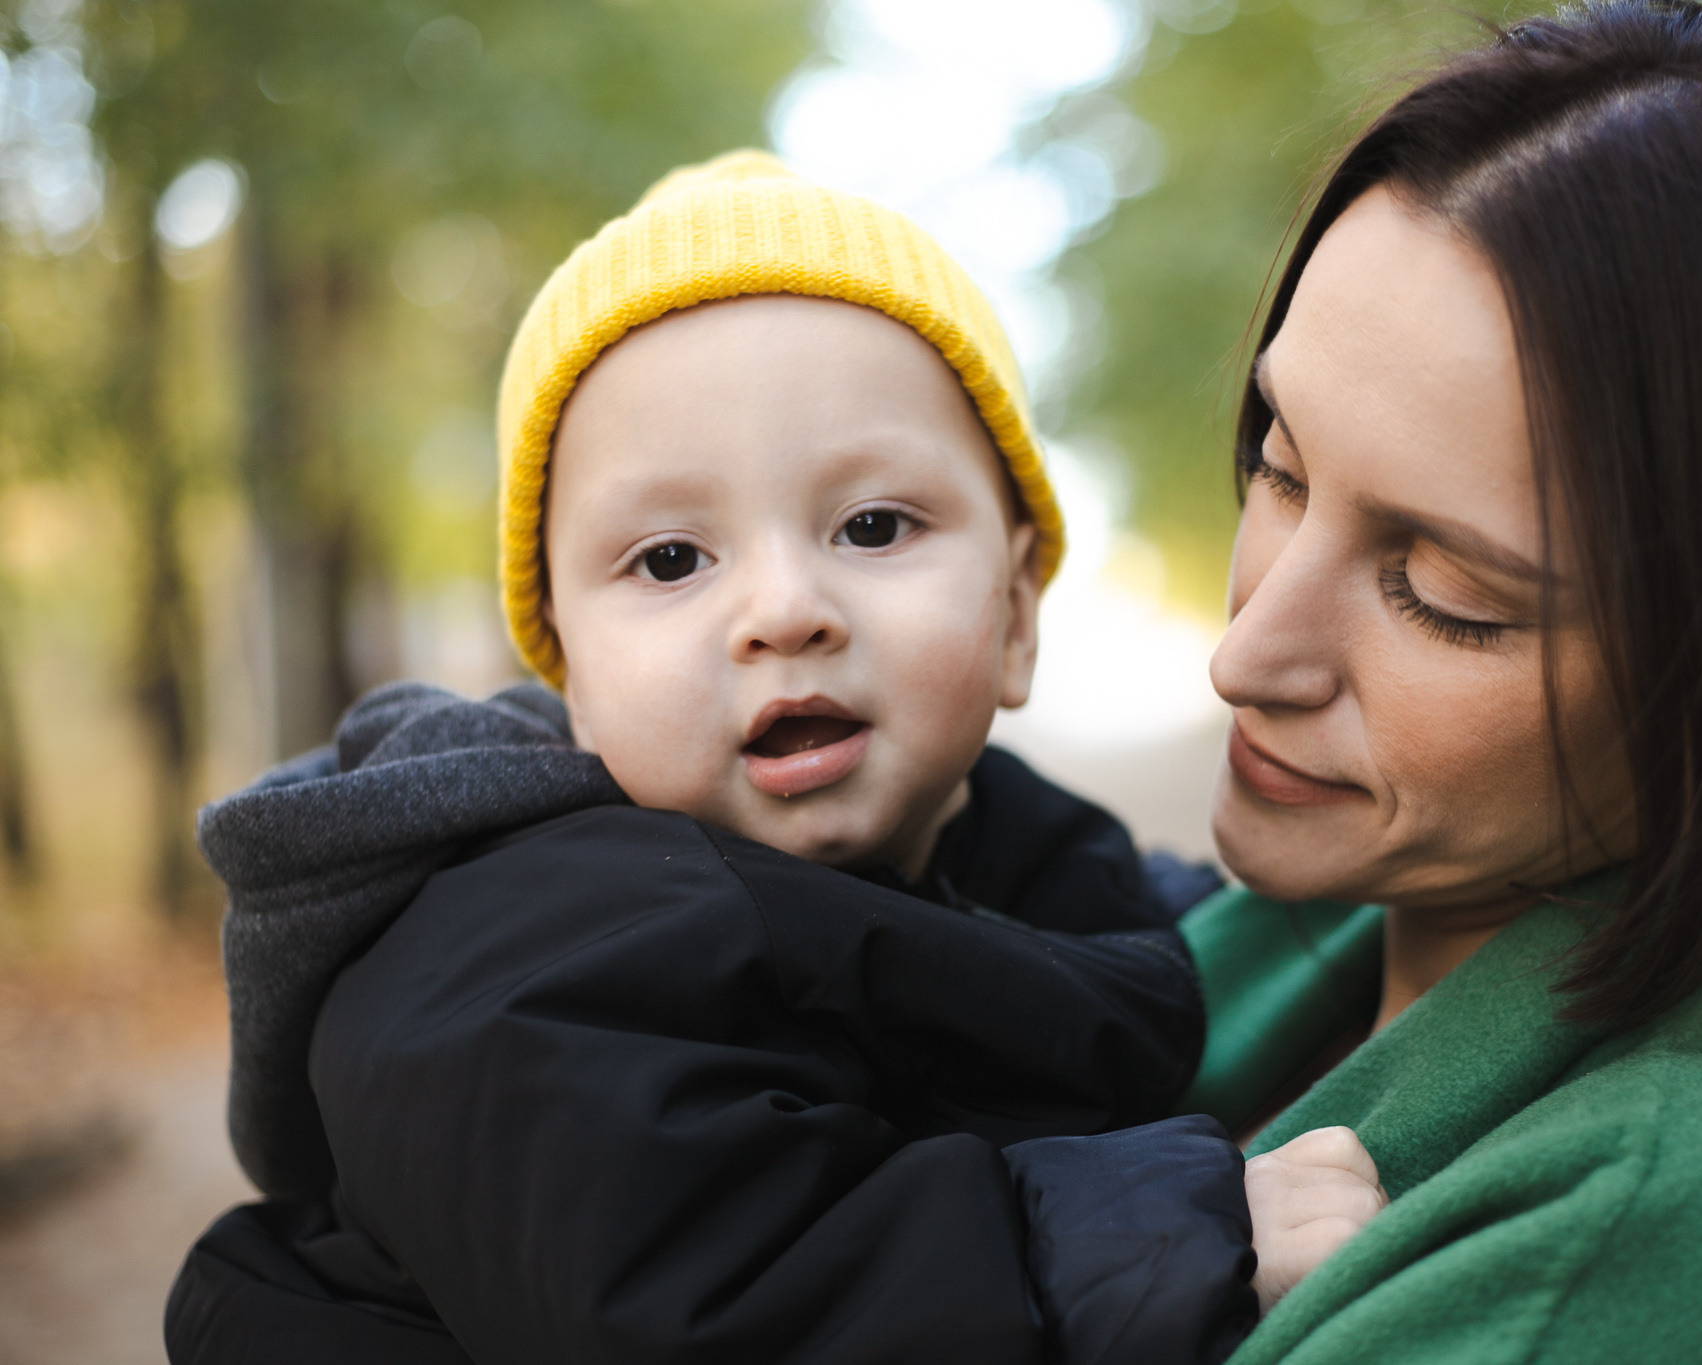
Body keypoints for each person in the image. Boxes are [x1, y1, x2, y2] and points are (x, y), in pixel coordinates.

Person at [166, 152, 1277, 1365]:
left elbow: (1052, 970)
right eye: (669, 560)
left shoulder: (1030, 866)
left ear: (1015, 613)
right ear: (568, 677)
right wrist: (1149, 1229)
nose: (784, 610)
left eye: (871, 527)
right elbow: (700, 1307)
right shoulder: (514, 969)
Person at [1172, 0, 1702, 1359]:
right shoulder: (1266, 949)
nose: (1247, 654)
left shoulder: (1692, 1248)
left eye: (1446, 595)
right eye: (1279, 469)